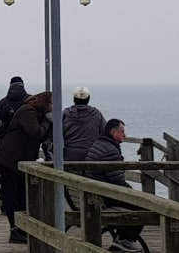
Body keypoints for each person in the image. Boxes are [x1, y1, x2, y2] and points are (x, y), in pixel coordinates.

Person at [0, 90, 53, 244]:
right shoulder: (28, 111)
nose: (53, 107)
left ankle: (21, 228)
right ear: (45, 103)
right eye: (51, 103)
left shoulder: (32, 112)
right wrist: (47, 121)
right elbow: (36, 133)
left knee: (20, 195)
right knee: (12, 196)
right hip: (10, 158)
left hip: (18, 159)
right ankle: (15, 229)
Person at [85, 119, 144, 252]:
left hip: (96, 192)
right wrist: (132, 193)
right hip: (105, 196)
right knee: (144, 205)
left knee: (138, 201)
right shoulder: (110, 151)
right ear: (113, 132)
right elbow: (117, 180)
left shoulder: (98, 144)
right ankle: (125, 240)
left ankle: (122, 239)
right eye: (122, 132)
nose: (125, 135)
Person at [62, 86, 106, 161]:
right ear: (88, 99)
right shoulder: (96, 114)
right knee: (90, 172)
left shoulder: (66, 113)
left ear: (74, 99)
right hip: (91, 153)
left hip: (69, 153)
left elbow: (58, 132)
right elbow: (105, 131)